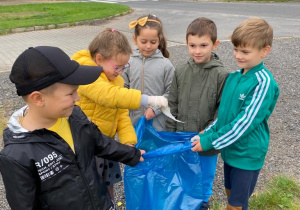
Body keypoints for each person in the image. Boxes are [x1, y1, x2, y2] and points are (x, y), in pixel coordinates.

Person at [0, 46, 146, 210]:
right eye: (71, 94)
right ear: (38, 99)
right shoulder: (17, 156)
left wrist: (131, 154)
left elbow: (100, 142)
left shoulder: (74, 116)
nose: (77, 98)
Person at [191, 17, 279, 210]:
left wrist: (209, 141)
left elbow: (244, 123)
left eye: (245, 51)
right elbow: (223, 116)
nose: (238, 55)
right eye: (236, 49)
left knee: (234, 206)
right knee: (231, 195)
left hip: (247, 155)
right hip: (230, 151)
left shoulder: (263, 82)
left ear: (265, 50)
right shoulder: (233, 77)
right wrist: (206, 132)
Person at [71, 28, 167, 200]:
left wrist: (129, 143)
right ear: (99, 59)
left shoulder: (115, 78)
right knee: (89, 189)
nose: (121, 71)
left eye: (125, 66)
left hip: (106, 144)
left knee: (107, 186)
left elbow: (122, 114)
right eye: (118, 66)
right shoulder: (85, 74)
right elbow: (109, 96)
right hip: (86, 147)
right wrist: (146, 99)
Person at [165, 17, 229, 209]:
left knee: (205, 176)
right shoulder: (180, 71)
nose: (197, 51)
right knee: (183, 173)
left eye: (203, 45)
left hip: (206, 142)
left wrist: (209, 136)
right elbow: (172, 104)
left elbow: (222, 112)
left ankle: (202, 203)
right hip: (181, 139)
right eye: (192, 45)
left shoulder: (222, 75)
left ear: (215, 44)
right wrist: (170, 135)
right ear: (186, 43)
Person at [122, 14, 175, 131]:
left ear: (159, 40)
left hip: (158, 125)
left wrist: (155, 109)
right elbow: (122, 89)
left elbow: (172, 93)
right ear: (135, 39)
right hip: (133, 124)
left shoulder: (166, 65)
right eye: (144, 41)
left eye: (153, 42)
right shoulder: (128, 63)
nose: (148, 46)